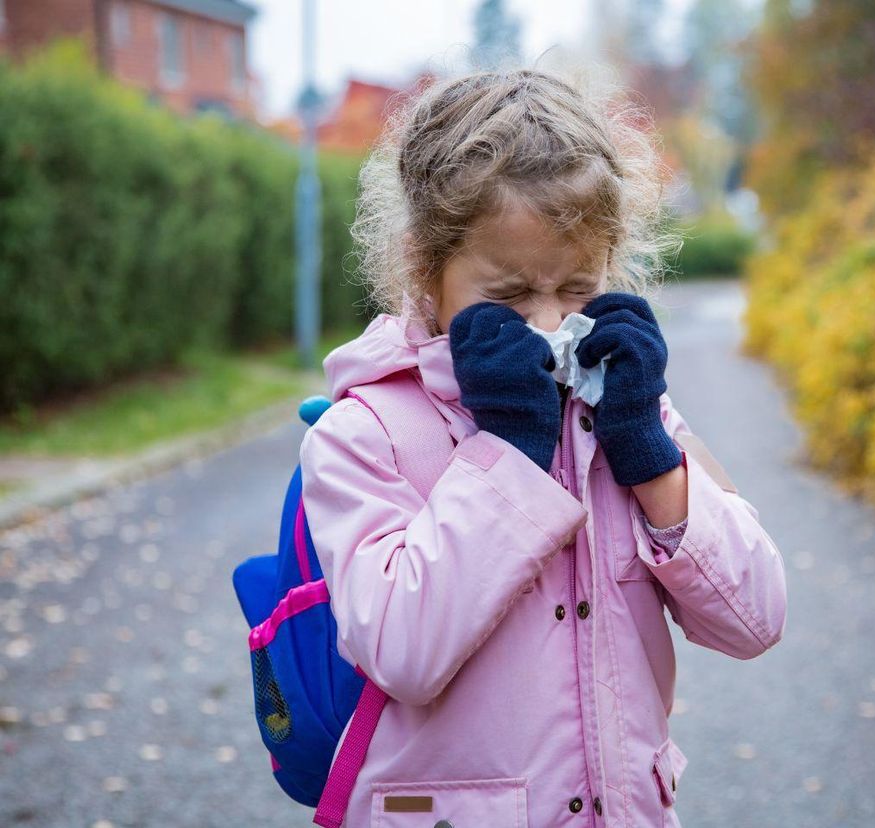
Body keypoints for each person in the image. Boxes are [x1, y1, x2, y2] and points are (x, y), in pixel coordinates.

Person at [299, 66, 787, 828]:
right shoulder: (364, 433)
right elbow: (405, 651)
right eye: (507, 295)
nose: (549, 324)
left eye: (578, 290)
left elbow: (754, 619)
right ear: (425, 270)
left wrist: (649, 454)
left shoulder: (624, 405)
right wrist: (510, 452)